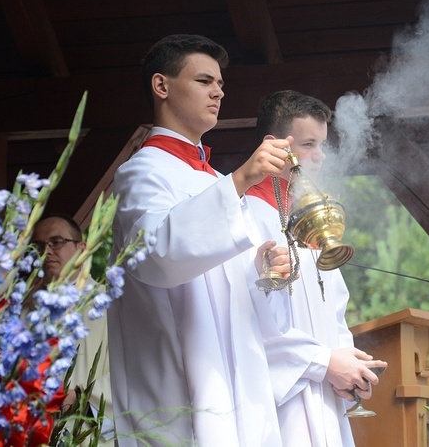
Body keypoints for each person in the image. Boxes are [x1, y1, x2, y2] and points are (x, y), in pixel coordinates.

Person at [108, 34, 294, 446]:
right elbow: (158, 255)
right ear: (162, 86)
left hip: (237, 386)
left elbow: (236, 295)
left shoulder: (213, 181)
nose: (218, 92)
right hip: (179, 388)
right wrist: (243, 179)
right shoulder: (141, 172)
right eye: (205, 81)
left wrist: (266, 274)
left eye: (221, 85)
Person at [245, 90, 387, 446]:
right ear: (273, 144)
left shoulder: (312, 222)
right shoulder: (244, 216)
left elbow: (334, 311)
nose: (320, 156)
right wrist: (325, 363)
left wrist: (349, 368)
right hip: (280, 400)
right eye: (308, 144)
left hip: (325, 395)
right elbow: (247, 323)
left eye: (322, 144)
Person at [31, 214, 115, 444]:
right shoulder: (26, 312)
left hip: (83, 430)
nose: (46, 251)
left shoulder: (109, 305)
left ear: (81, 249)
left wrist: (80, 397)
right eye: (39, 246)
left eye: (56, 242)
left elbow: (132, 370)